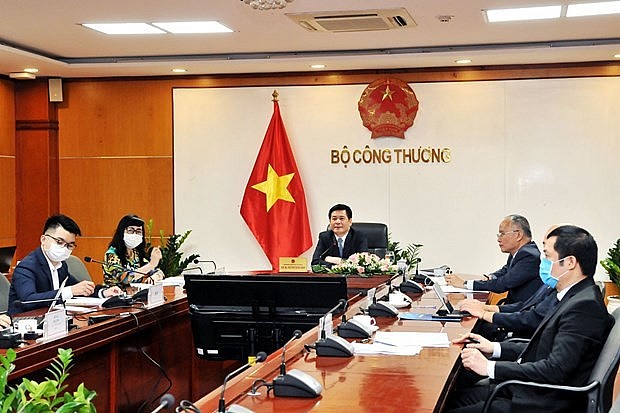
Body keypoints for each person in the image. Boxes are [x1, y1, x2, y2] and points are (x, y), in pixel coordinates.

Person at [446, 225, 614, 413]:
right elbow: (543, 347)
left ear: (570, 262)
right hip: (526, 391)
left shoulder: (584, 307)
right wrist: (493, 348)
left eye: (548, 256)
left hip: (540, 402)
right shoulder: (572, 296)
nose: (543, 262)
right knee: (450, 400)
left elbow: (555, 369)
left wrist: (489, 367)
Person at [8, 214, 122, 315]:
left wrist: (103, 292)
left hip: (53, 321)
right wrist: (70, 291)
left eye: (70, 245)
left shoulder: (61, 265)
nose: (64, 248)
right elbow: (28, 300)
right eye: (59, 242)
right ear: (43, 240)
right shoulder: (26, 267)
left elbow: (79, 289)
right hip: (25, 324)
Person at [446, 214, 542, 304]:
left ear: (518, 235)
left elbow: (503, 284)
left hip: (522, 314)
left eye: (502, 234)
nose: (498, 239)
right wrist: (491, 276)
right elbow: (505, 271)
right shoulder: (521, 252)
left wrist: (465, 284)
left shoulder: (529, 256)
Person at [103, 214, 164, 288]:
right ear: (122, 232)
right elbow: (125, 279)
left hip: (134, 293)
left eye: (138, 231)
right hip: (114, 294)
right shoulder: (111, 254)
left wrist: (155, 276)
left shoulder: (136, 253)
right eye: (131, 230)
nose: (135, 234)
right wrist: (151, 264)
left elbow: (159, 272)